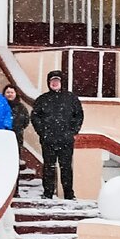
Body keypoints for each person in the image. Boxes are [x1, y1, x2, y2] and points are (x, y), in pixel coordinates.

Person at [30, 70, 84, 200]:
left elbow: (79, 116)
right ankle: (48, 193)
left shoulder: (71, 98)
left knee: (66, 168)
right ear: (48, 83)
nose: (54, 83)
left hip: (66, 140)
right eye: (52, 81)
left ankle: (69, 194)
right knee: (49, 167)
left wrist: (72, 132)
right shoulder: (42, 99)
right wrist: (43, 132)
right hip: (48, 140)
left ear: (61, 82)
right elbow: (35, 117)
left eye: (57, 81)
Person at [2, 85, 30, 149]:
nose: (10, 94)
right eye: (8, 92)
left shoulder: (21, 107)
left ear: (15, 94)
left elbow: (26, 120)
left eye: (12, 92)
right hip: (3, 134)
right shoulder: (1, 106)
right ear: (4, 94)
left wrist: (18, 127)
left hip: (17, 136)